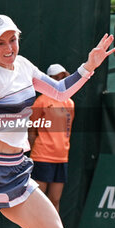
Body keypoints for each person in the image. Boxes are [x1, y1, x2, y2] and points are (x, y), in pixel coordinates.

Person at [0, 14, 115, 228]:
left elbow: (60, 92)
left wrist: (89, 66)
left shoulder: (23, 66)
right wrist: (11, 117)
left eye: (13, 39)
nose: (9, 48)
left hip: (16, 173)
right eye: (0, 43)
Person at [28, 64, 74, 212]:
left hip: (61, 158)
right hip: (42, 156)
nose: (61, 80)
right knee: (39, 202)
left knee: (54, 200)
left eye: (63, 77)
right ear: (50, 79)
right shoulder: (41, 101)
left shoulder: (70, 102)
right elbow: (32, 129)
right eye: (58, 77)